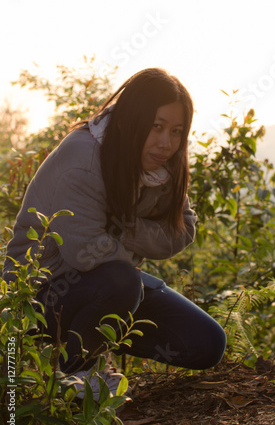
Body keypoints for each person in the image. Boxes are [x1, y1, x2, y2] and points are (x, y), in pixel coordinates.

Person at [4, 68, 226, 399]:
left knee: (206, 343)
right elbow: (87, 253)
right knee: (121, 280)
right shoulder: (83, 159)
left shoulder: (163, 164)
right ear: (128, 120)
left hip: (112, 283)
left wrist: (119, 225)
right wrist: (125, 240)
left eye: (176, 131)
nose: (166, 142)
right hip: (38, 297)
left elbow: (182, 230)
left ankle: (96, 341)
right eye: (156, 126)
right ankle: (75, 373)